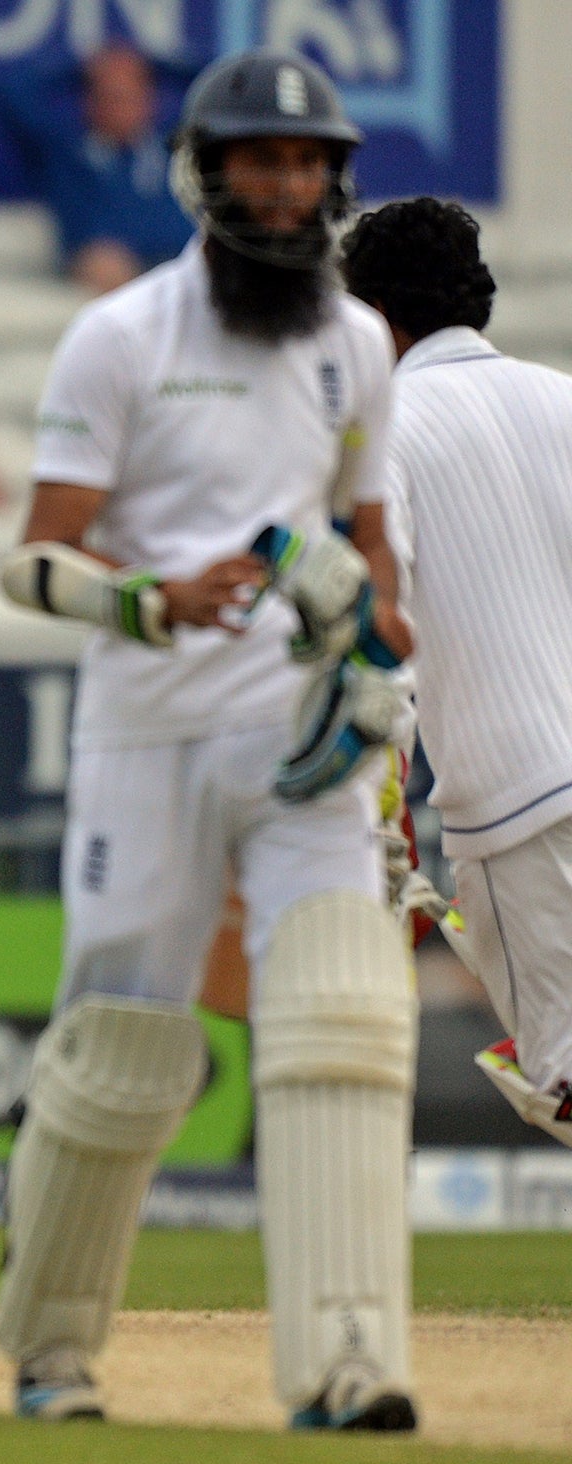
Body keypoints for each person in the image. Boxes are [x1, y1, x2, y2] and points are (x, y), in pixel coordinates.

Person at [0, 50, 420, 1430]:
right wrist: (154, 597)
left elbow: (368, 542)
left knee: (345, 1013)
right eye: (263, 160)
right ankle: (53, 1350)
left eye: (309, 162)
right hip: (147, 730)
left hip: (302, 736)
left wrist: (387, 655)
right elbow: (37, 559)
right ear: (209, 168)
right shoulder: (122, 334)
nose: (290, 186)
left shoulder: (355, 343)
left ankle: (351, 1362)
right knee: (124, 1036)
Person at [339, 198, 572, 1146]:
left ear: (374, 315)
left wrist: (381, 803)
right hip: (531, 796)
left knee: (561, 1079)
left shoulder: (383, 432)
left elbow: (374, 628)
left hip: (521, 806)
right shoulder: (562, 396)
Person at [0, 43, 196, 295]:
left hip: (175, 267)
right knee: (105, 266)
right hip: (108, 277)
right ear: (89, 103)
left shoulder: (174, 148)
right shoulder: (65, 153)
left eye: (131, 97)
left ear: (150, 103)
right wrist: (83, 69)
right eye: (110, 97)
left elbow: (221, 81)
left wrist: (150, 64)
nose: (121, 108)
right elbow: (9, 91)